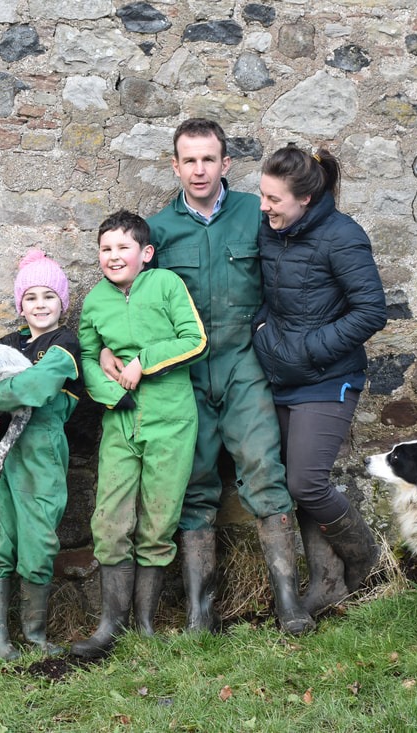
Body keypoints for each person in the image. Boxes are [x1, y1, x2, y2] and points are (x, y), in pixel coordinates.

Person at [127, 118, 312, 634]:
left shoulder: (256, 215)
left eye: (209, 159)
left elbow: (296, 271)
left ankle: (289, 604)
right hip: (183, 373)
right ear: (175, 165)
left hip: (243, 363)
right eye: (189, 159)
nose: (199, 169)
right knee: (193, 482)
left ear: (226, 164)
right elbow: (137, 303)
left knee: (264, 469)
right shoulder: (158, 231)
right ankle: (199, 613)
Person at [254, 145, 386, 616]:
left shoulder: (342, 236)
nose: (264, 206)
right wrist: (263, 333)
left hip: (327, 379)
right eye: (263, 195)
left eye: (274, 199)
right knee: (297, 483)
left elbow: (372, 311)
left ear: (305, 199)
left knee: (307, 482)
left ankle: (367, 561)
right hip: (279, 373)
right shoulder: (272, 229)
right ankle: (327, 583)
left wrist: (307, 349)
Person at [71, 210, 207, 658]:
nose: (114, 256)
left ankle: (145, 624)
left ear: (145, 254)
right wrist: (112, 391)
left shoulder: (166, 285)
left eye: (123, 248)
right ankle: (111, 624)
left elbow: (194, 339)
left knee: (159, 521)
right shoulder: (94, 302)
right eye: (106, 249)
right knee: (110, 520)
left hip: (171, 417)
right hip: (121, 421)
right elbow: (88, 358)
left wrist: (141, 360)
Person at [0, 249, 84, 660]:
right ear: (21, 304)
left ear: (62, 302)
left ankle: (34, 635)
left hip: (41, 449)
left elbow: (38, 384)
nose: (40, 305)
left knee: (38, 539)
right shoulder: (7, 344)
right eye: (31, 297)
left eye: (48, 296)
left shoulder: (65, 343)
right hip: (2, 449)